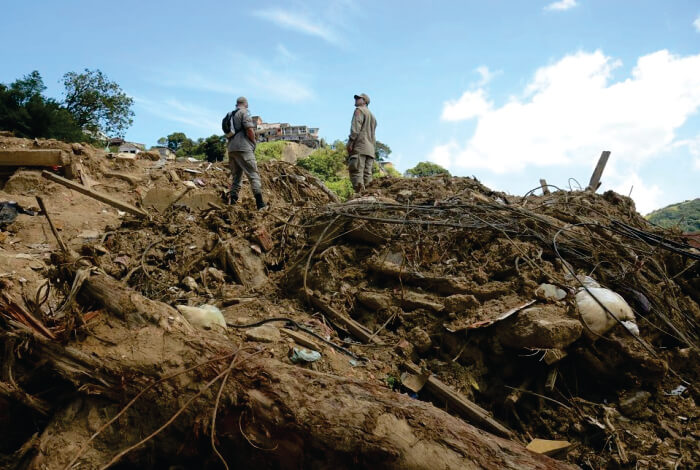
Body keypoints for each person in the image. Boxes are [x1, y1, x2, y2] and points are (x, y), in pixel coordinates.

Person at [226, 96, 266, 210]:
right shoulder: (244, 113)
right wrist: (253, 141)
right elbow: (249, 130)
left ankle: (232, 205)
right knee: (253, 174)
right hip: (243, 148)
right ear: (246, 104)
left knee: (236, 177)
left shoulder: (230, 115)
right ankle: (260, 205)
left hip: (231, 149)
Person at [347, 93, 377, 192]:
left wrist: (350, 142)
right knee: (367, 174)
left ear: (364, 101)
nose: (356, 99)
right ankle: (368, 195)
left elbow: (355, 129)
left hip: (360, 146)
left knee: (356, 172)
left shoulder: (359, 111)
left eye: (358, 98)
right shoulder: (372, 116)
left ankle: (360, 195)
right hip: (370, 150)